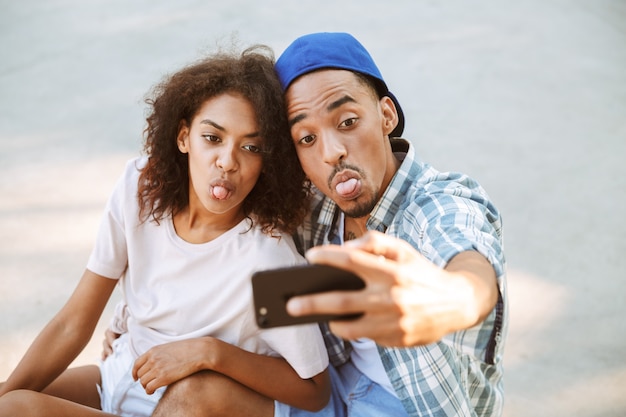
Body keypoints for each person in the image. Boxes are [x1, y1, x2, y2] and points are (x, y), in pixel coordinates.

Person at [104, 32, 508, 417]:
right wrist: (137, 319)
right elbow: (215, 249)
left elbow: (470, 269)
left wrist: (447, 301)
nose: (332, 152)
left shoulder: (437, 203)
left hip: (404, 405)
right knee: (193, 392)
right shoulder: (312, 203)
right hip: (330, 386)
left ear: (386, 115)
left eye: (347, 122)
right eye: (306, 138)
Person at [0, 45, 330, 417]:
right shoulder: (139, 190)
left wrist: (212, 353)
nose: (227, 161)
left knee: (20, 410)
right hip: (121, 380)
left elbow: (315, 390)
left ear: (267, 161)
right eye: (212, 138)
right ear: (183, 137)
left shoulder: (270, 259)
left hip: (199, 406)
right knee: (6, 399)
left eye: (251, 147)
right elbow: (71, 324)